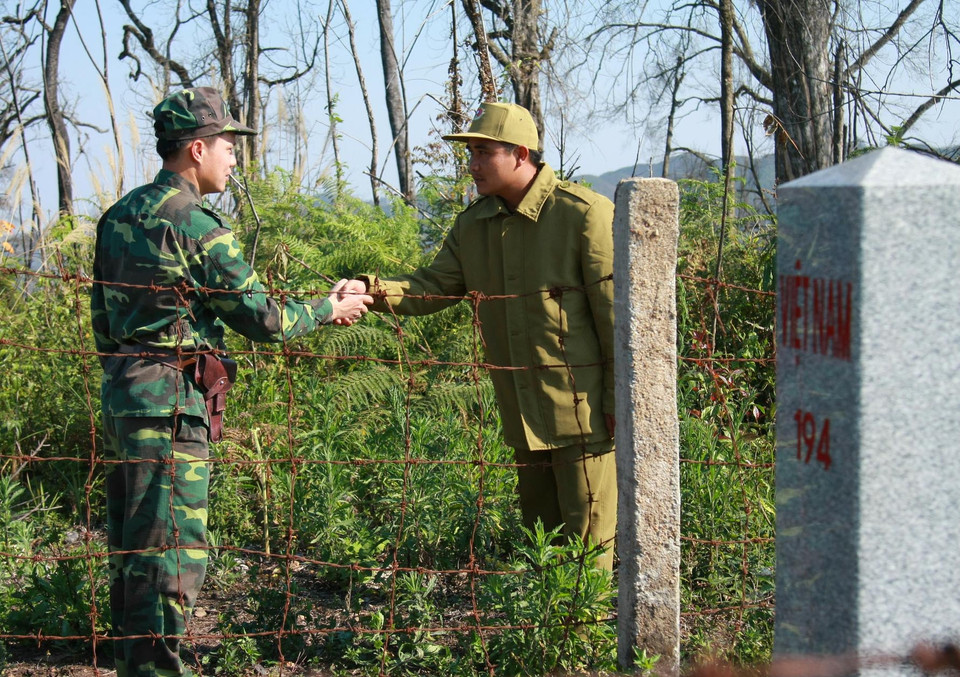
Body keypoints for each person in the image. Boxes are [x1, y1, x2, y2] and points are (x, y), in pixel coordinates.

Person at [91, 86, 373, 677]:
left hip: (124, 398)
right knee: (171, 555)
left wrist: (130, 374)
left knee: (133, 552)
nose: (235, 157)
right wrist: (328, 308)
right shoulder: (194, 221)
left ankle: (135, 666)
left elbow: (102, 321)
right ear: (196, 149)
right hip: (172, 409)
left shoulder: (120, 214)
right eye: (227, 145)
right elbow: (264, 319)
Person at [347, 102, 617, 570]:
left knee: (588, 556)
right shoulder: (474, 226)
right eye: (469, 152)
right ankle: (550, 640)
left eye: (482, 152)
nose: (471, 164)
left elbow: (617, 320)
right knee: (543, 551)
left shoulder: (583, 215)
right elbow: (432, 288)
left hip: (585, 418)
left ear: (519, 153)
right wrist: (369, 290)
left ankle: (586, 637)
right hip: (523, 418)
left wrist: (618, 401)